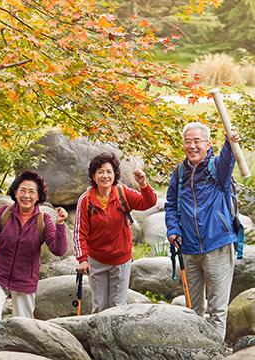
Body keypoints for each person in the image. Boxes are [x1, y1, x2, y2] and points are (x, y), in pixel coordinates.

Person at [165, 122, 240, 341]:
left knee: (217, 310)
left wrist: (229, 142)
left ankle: (215, 352)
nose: (192, 146)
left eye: (197, 141)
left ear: (207, 144)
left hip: (217, 244)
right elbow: (171, 205)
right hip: (188, 248)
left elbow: (228, 159)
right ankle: (197, 349)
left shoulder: (218, 169)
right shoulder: (179, 173)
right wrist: (173, 229)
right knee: (192, 310)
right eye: (188, 141)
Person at [0, 170, 68, 336]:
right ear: (15, 192)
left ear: (38, 196)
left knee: (24, 323)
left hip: (24, 279)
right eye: (22, 190)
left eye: (31, 192)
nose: (26, 195)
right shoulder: (3, 213)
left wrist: (60, 225)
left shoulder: (43, 220)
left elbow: (59, 250)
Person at [73, 152, 157, 313]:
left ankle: (114, 339)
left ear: (115, 174)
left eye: (109, 171)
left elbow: (149, 202)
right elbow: (79, 232)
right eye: (100, 172)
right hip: (96, 260)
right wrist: (82, 259)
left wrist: (143, 184)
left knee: (118, 308)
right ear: (93, 175)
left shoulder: (122, 193)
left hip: (121, 259)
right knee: (100, 307)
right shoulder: (86, 200)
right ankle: (97, 338)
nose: (105, 176)